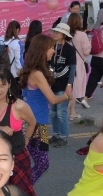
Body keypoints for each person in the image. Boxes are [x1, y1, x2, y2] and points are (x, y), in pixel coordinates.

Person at [19, 34, 69, 183]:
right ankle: (23, 189)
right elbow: (53, 99)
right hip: (35, 124)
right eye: (51, 48)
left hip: (32, 122)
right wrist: (68, 96)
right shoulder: (38, 74)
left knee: (30, 162)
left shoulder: (31, 70)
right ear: (42, 50)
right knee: (42, 163)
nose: (53, 51)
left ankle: (22, 190)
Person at [0, 62, 37, 196]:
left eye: (2, 85)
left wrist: (25, 141)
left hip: (17, 159)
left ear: (9, 84)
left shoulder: (19, 106)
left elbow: (32, 123)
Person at [47, 23, 77, 148]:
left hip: (63, 84)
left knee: (61, 112)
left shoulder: (69, 49)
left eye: (57, 32)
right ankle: (56, 134)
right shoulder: (51, 47)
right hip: (52, 84)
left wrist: (69, 85)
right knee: (53, 112)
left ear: (64, 35)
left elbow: (72, 68)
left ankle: (64, 136)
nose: (55, 34)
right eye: (54, 32)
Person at [68, 13, 91, 117]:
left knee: (69, 88)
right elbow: (86, 52)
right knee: (75, 90)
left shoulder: (66, 34)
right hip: (78, 65)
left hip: (66, 64)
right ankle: (70, 112)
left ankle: (72, 112)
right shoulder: (82, 35)